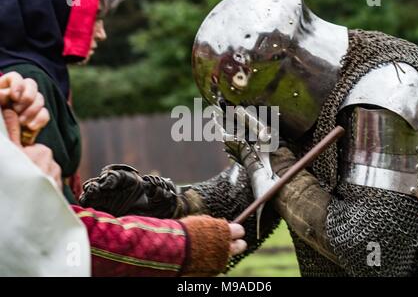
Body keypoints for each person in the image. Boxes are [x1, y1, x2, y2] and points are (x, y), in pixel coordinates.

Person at [81, 0, 418, 276]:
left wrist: (272, 161)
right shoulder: (301, 106)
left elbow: (372, 250)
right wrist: (160, 205)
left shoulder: (388, 89)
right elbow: (240, 200)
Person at [0, 71, 247, 276]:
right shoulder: (31, 69)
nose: (102, 33)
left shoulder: (24, 78)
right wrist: (184, 245)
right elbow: (53, 240)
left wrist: (16, 132)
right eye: (95, 16)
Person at [0, 0, 128, 202]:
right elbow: (50, 209)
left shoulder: (45, 74)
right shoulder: (27, 80)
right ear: (56, 9)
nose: (101, 33)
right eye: (95, 16)